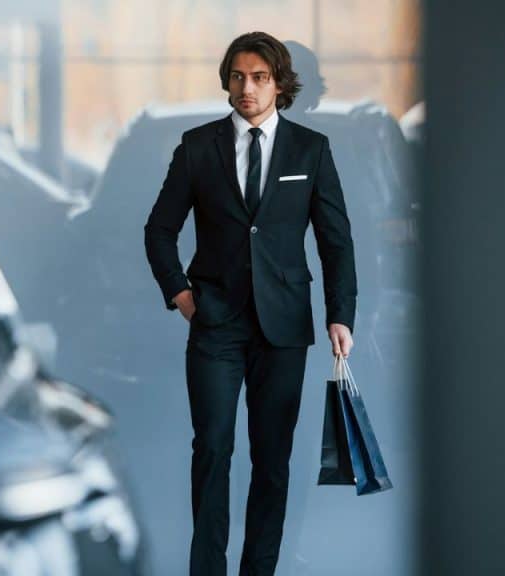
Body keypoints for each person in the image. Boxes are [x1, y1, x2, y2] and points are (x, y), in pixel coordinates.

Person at [143, 31, 357, 575]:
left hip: (284, 328)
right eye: (238, 76)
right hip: (215, 324)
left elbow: (335, 239)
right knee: (212, 451)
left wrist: (340, 314)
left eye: (259, 77)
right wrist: (181, 296)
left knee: (272, 462)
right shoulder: (197, 147)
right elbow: (159, 229)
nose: (247, 88)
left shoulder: (311, 149)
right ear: (227, 81)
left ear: (279, 84)